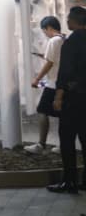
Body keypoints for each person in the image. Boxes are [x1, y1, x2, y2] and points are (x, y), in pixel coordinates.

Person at [47, 5, 86, 194]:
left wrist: (59, 96)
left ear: (76, 21)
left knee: (67, 140)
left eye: (69, 18)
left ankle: (69, 181)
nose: (67, 21)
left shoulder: (72, 41)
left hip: (73, 99)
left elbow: (65, 72)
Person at [24, 15, 65, 155]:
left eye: (44, 31)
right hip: (64, 84)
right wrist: (43, 55)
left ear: (48, 28)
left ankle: (41, 145)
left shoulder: (53, 41)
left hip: (54, 84)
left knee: (42, 110)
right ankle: (63, 145)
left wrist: (37, 79)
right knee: (63, 115)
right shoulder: (64, 39)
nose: (44, 34)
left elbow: (50, 63)